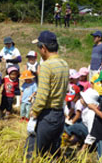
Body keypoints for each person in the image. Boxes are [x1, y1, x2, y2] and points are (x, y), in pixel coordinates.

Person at [25, 30, 69, 159]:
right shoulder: (64, 64)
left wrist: (34, 113)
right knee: (54, 152)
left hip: (47, 116)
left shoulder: (46, 66)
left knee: (37, 153)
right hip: (59, 114)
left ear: (43, 48)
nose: (39, 51)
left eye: (39, 47)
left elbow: (42, 95)